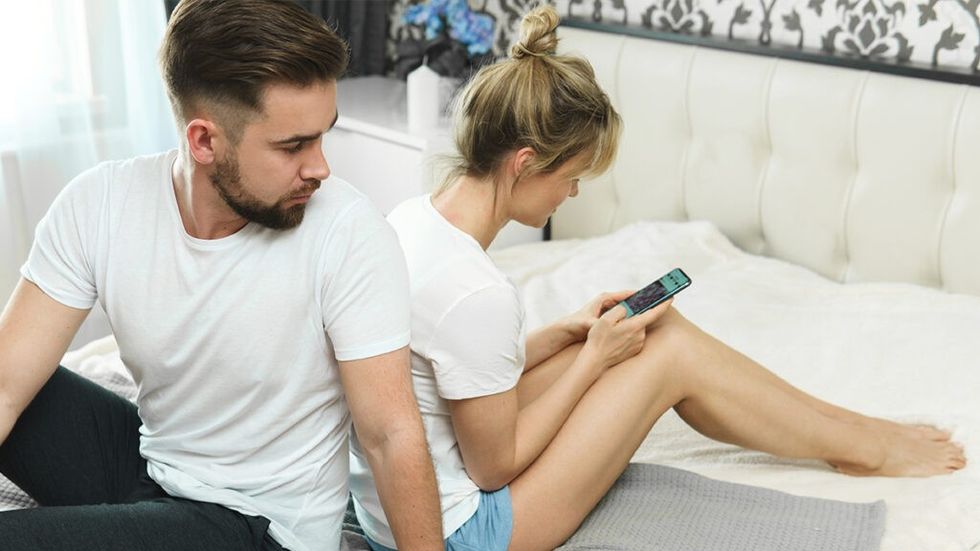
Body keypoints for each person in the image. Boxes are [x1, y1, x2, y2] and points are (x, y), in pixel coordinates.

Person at [349, 5, 968, 551]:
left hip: (397, 511)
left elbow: (453, 376)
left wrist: (566, 334)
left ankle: (852, 433)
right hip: (468, 531)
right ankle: (864, 446)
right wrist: (593, 360)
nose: (572, 194)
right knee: (667, 354)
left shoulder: (412, 219)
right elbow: (495, 466)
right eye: (572, 177)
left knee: (655, 328)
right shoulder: (478, 292)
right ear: (525, 163)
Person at [0, 1, 444, 550]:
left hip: (260, 525)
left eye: (322, 136)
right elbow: (7, 385)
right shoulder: (101, 203)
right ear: (204, 141)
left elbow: (390, 434)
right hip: (153, 466)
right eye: (293, 146)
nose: (320, 167)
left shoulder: (349, 235)